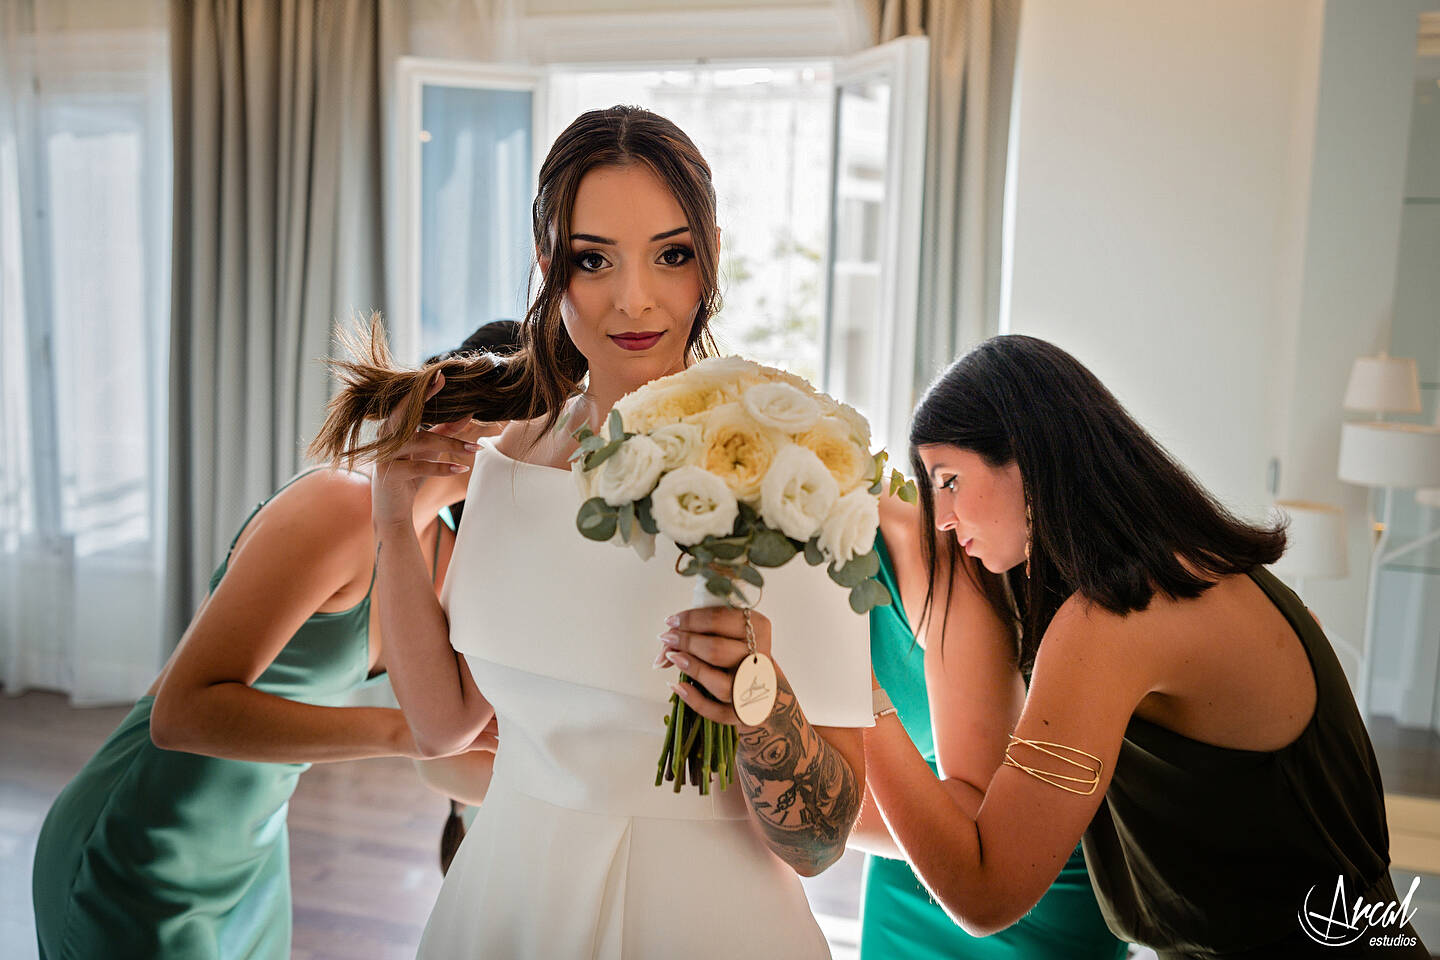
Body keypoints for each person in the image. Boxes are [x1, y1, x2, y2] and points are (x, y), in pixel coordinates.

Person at [309, 105, 873, 958]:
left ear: (710, 255)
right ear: (550, 268)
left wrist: (758, 699)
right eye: (593, 259)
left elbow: (820, 843)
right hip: (509, 903)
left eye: (671, 255)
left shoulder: (785, 473)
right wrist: (393, 522)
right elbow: (442, 727)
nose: (634, 298)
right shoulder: (506, 465)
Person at [864, 334, 1428, 958]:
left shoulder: (1113, 618)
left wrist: (859, 694)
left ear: (1028, 458)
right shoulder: (1203, 573)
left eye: (949, 480)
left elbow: (985, 894)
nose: (940, 517)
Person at [30, 321, 518, 960]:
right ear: (475, 426)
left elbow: (452, 754)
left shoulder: (450, 550)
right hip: (140, 844)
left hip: (251, 857)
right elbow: (179, 717)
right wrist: (400, 731)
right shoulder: (338, 508)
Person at [850, 493, 1128, 959]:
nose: (947, 505)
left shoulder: (933, 551)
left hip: (1038, 855)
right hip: (912, 853)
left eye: (951, 477)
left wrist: (799, 807)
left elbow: (980, 812)